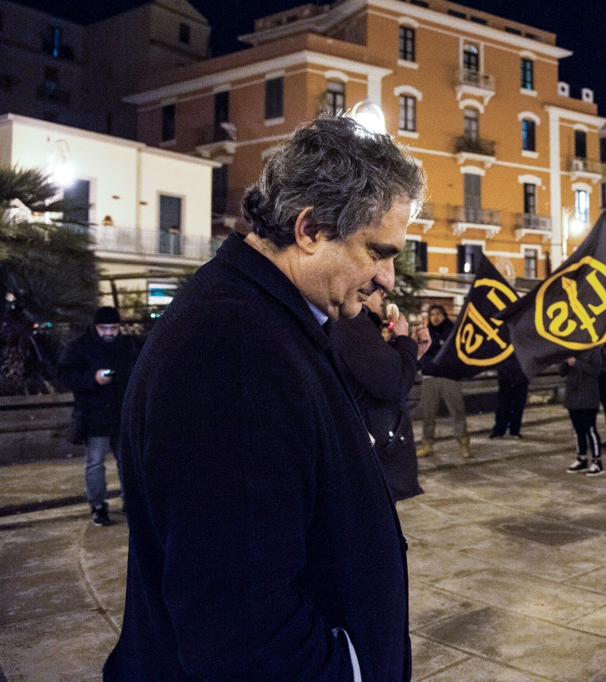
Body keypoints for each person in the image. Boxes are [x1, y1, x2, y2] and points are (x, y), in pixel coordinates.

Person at [103, 114, 424, 681]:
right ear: (309, 229)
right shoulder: (236, 349)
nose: (388, 278)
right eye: (378, 252)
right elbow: (241, 629)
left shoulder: (260, 318)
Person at [331, 291, 430, 502]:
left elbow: (381, 370)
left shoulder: (355, 325)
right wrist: (403, 339)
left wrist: (414, 353)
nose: (384, 292)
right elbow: (394, 384)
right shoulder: (353, 324)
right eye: (376, 289)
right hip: (373, 449)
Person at [56, 306, 139, 527]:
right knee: (95, 463)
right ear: (95, 327)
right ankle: (98, 506)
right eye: (104, 328)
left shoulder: (127, 345)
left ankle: (131, 503)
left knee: (128, 463)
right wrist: (92, 379)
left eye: (113, 328)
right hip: (93, 414)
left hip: (122, 415)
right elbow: (65, 375)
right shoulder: (80, 346)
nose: (109, 333)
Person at [417, 304, 470, 458]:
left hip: (449, 378)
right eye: (432, 314)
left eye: (438, 314)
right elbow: (421, 350)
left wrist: (435, 347)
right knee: (428, 413)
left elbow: (454, 351)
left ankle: (463, 443)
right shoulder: (425, 331)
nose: (435, 317)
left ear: (444, 315)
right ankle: (427, 444)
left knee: (457, 411)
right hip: (430, 378)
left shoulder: (453, 331)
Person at [562, 346, 605, 476]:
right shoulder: (570, 350)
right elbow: (562, 372)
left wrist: (577, 363)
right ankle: (582, 457)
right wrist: (565, 363)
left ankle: (597, 461)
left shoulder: (593, 350)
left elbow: (596, 371)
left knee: (590, 429)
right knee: (578, 429)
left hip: (588, 396)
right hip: (573, 396)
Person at [490, 355, 528, 439]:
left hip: (516, 372)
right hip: (512, 372)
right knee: (504, 403)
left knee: (514, 403)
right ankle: (507, 430)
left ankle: (507, 430)